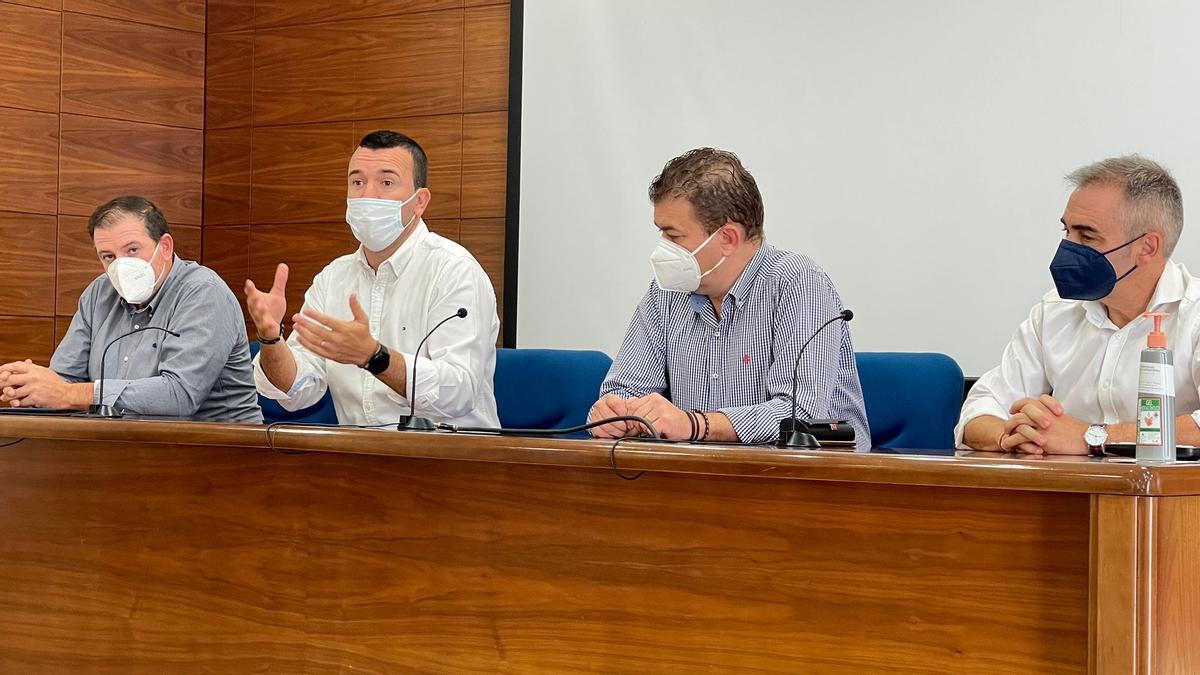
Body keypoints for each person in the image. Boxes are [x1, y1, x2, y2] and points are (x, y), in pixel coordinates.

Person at [590, 147, 870, 448]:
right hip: (698, 479)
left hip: (806, 483)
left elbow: (798, 412)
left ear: (727, 239)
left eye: (673, 236)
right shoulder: (665, 293)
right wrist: (614, 412)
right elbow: (626, 388)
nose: (662, 250)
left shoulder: (797, 282)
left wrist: (696, 425)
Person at [247, 130, 500, 427]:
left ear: (419, 202)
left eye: (386, 182)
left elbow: (459, 391)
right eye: (357, 182)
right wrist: (271, 337)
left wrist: (374, 357)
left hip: (453, 461)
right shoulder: (333, 279)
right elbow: (299, 391)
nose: (367, 195)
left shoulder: (454, 271)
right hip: (359, 459)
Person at [957, 155, 1200, 454]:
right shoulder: (1055, 310)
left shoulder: (1194, 313)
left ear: (1147, 247)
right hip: (1065, 493)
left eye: (1086, 236)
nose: (1068, 248)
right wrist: (1012, 435)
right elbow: (980, 408)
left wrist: (1090, 437)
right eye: (1066, 232)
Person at [0, 196, 262, 422]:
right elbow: (64, 380)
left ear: (166, 247)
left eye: (132, 250)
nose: (120, 265)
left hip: (219, 453)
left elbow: (179, 396)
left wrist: (71, 394)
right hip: (125, 448)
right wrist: (29, 387)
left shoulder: (203, 291)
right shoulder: (99, 292)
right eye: (108, 257)